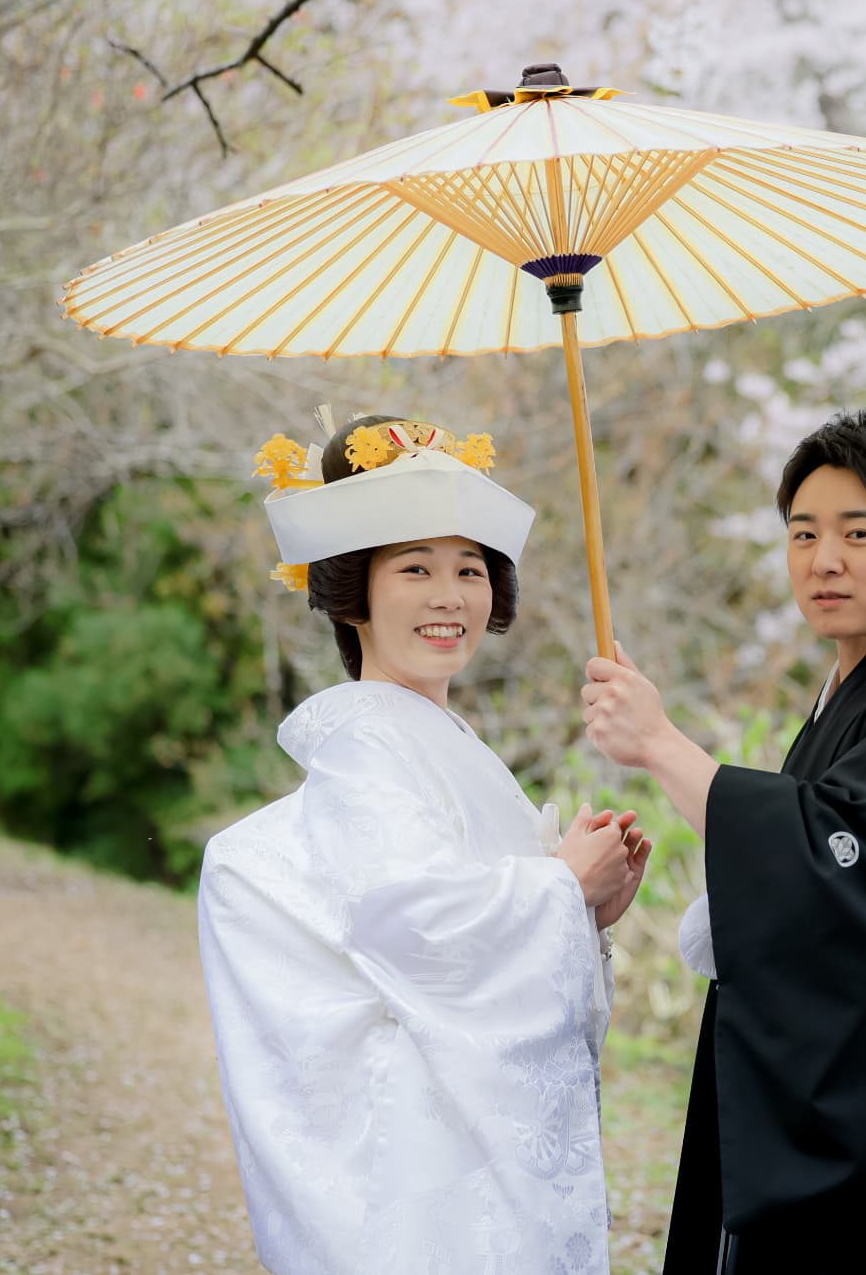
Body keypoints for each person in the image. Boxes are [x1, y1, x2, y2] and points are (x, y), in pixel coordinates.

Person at [582, 410, 866, 1274]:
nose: (823, 558)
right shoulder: (861, 698)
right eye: (803, 533)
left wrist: (660, 744)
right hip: (851, 1154)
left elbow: (835, 867)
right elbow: (811, 869)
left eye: (857, 533)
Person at [197, 413, 651, 1275]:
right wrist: (557, 889)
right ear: (352, 593)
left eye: (469, 569)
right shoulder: (367, 745)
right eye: (415, 568)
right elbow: (417, 926)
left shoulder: (438, 742)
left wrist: (586, 910)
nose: (450, 596)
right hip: (427, 1165)